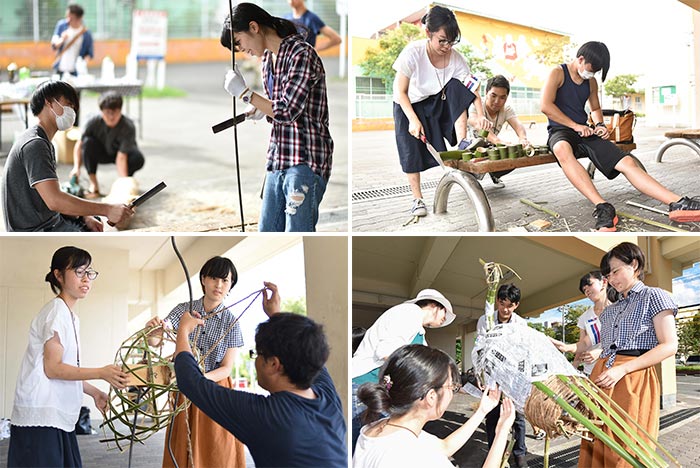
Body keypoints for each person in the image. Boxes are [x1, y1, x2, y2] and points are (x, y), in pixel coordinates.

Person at [172, 282, 347, 467]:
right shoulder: (328, 398)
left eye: (257, 354)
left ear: (273, 364)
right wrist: (276, 317)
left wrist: (183, 332)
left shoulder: (266, 416)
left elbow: (190, 382)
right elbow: (302, 348)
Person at [541, 41, 700, 231]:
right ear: (581, 59)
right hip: (562, 130)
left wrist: (600, 125)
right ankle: (603, 207)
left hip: (585, 130)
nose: (592, 75)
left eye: (596, 72)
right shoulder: (558, 73)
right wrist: (574, 126)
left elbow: (595, 107)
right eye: (591, 70)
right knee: (561, 149)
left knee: (627, 162)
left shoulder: (590, 81)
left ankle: (677, 202)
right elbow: (546, 106)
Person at [7, 246, 128, 467]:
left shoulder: (69, 315)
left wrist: (94, 392)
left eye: (89, 272)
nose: (86, 279)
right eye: (79, 272)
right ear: (58, 275)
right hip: (42, 412)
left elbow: (66, 368)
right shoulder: (56, 312)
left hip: (55, 412)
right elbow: (53, 369)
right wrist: (101, 372)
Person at [221, 3, 332, 232]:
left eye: (239, 43)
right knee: (266, 231)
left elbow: (288, 110)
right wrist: (261, 106)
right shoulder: (267, 61)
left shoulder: (301, 54)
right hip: (277, 159)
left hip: (305, 159)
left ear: (253, 27)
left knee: (297, 233)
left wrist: (246, 94)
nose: (243, 51)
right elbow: (279, 108)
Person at [578, 242, 678, 468]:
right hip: (602, 375)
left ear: (634, 265)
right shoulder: (610, 310)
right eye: (607, 275)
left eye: (615, 271)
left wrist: (622, 369)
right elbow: (608, 346)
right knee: (595, 441)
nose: (611, 279)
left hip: (633, 376)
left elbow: (669, 345)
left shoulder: (654, 296)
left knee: (624, 448)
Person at [145, 256, 245, 468]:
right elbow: (155, 341)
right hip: (186, 390)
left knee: (218, 448)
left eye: (226, 281)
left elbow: (227, 368)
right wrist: (152, 328)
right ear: (203, 279)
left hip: (215, 388)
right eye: (214, 278)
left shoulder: (232, 322)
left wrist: (199, 380)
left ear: (231, 285)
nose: (219, 285)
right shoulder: (184, 310)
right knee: (183, 445)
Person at [392, 5, 491, 218]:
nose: (447, 47)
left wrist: (481, 114)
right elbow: (400, 92)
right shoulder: (412, 53)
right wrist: (412, 119)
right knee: (411, 152)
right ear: (428, 33)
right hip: (407, 103)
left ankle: (463, 141)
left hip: (435, 101)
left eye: (451, 41)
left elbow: (472, 89)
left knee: (458, 86)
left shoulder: (456, 58)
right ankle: (417, 199)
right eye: (442, 40)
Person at [353, 344, 515, 468]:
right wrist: (502, 431)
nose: (453, 393)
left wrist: (482, 410)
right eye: (452, 387)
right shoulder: (414, 457)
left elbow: (445, 447)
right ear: (431, 397)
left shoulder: (375, 429)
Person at [1, 80, 134, 232]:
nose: (72, 111)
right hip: (37, 232)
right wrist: (107, 209)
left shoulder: (42, 141)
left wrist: (83, 216)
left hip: (48, 222)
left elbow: (50, 195)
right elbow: (55, 200)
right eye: (68, 104)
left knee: (91, 220)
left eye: (73, 107)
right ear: (49, 102)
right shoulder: (34, 144)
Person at [351, 289, 454, 450]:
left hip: (379, 393)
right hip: (364, 387)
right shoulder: (408, 313)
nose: (444, 319)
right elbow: (387, 351)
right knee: (362, 447)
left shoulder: (419, 330)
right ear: (434, 305)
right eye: (444, 313)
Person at [476, 283, 529, 468]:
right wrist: (481, 375)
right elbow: (480, 348)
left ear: (516, 305)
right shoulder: (485, 320)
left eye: (510, 305)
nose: (505, 309)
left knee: (518, 418)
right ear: (497, 301)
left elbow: (523, 352)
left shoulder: (521, 324)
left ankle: (519, 453)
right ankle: (494, 452)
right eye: (502, 304)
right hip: (493, 375)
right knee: (492, 415)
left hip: (513, 376)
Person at [70, 91, 144, 198]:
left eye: (115, 112)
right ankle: (94, 185)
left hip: (120, 154)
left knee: (137, 158)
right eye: (107, 112)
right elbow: (79, 144)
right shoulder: (92, 121)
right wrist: (76, 167)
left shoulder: (128, 126)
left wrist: (123, 184)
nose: (111, 116)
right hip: (100, 152)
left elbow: (121, 157)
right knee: (88, 143)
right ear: (101, 111)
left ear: (120, 110)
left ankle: (126, 181)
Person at [551, 271, 618, 376]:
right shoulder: (585, 317)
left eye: (589, 285)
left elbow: (626, 342)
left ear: (604, 282)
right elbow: (583, 344)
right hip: (591, 372)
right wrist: (566, 349)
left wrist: (601, 352)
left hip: (613, 372)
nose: (587, 291)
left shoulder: (620, 310)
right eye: (584, 290)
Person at [467, 75, 530, 147]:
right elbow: (478, 124)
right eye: (493, 96)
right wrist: (497, 141)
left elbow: (518, 125)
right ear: (486, 93)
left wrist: (523, 139)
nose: (497, 101)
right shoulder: (477, 105)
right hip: (468, 150)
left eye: (502, 98)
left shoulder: (507, 109)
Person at [50, 4, 94, 78]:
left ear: (79, 18)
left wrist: (83, 65)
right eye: (67, 16)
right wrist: (62, 39)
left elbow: (89, 54)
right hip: (60, 69)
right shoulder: (61, 26)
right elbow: (54, 46)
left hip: (76, 72)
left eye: (70, 17)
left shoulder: (86, 33)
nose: (68, 19)